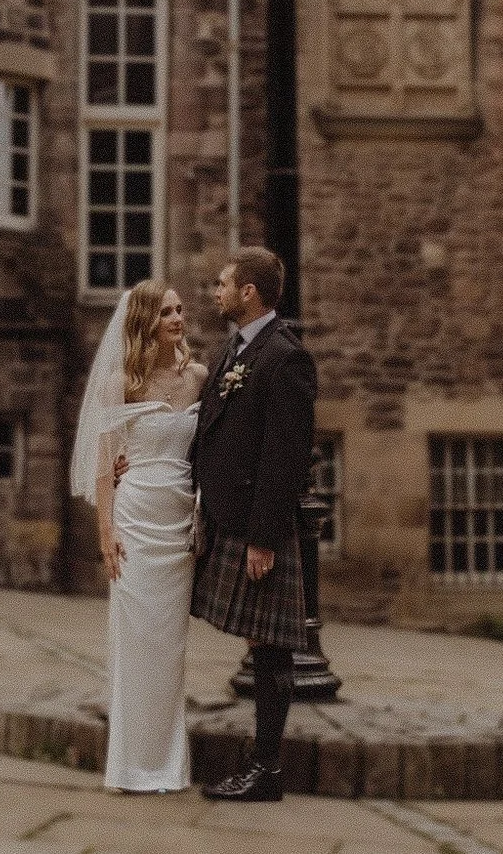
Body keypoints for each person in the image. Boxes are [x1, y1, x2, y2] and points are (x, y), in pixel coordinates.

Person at [189, 246, 317, 804]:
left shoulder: (284, 356)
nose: (215, 292)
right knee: (260, 642)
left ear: (249, 293)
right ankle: (261, 768)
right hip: (226, 516)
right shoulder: (233, 349)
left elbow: (285, 455)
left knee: (270, 647)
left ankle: (266, 770)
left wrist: (264, 538)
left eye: (223, 284)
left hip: (255, 524)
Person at [70, 277, 205, 794]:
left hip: (179, 524)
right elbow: (106, 470)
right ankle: (130, 766)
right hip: (134, 520)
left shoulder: (197, 377)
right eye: (167, 312)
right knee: (135, 643)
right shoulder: (119, 384)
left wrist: (203, 512)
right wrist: (106, 535)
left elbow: (206, 450)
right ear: (147, 321)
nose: (177, 319)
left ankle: (169, 765)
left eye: (180, 310)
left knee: (171, 648)